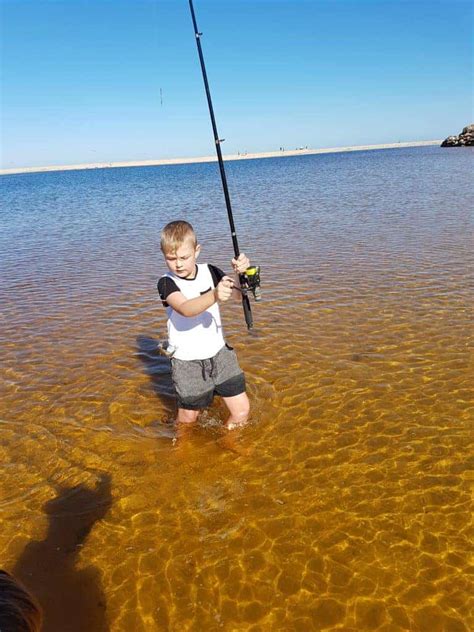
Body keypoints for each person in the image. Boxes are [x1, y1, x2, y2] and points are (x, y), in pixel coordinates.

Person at [157, 220, 250, 430]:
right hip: (187, 361)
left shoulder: (211, 271)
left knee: (242, 410)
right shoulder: (165, 283)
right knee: (188, 420)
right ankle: (181, 452)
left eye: (184, 257)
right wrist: (215, 294)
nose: (178, 264)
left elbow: (236, 295)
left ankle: (230, 452)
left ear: (196, 251)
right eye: (171, 259)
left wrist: (240, 273)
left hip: (220, 354)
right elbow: (186, 308)